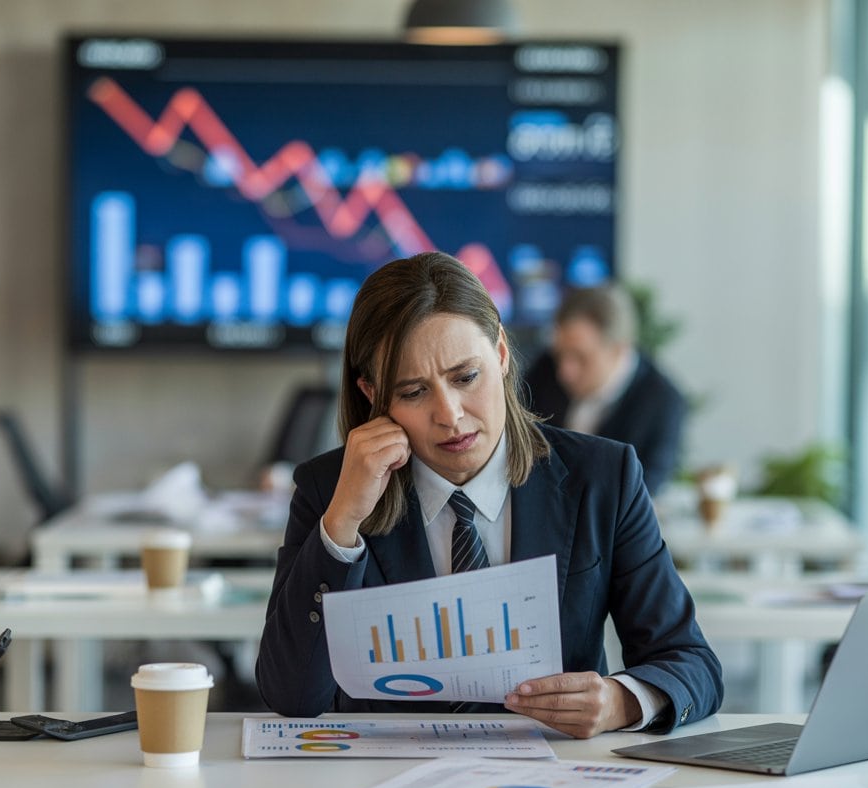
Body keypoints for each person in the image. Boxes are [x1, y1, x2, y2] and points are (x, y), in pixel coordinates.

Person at [255, 252, 721, 738]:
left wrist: (620, 702)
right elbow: (291, 695)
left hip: (551, 785)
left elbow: (691, 662)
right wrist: (343, 520)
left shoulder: (603, 476)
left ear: (500, 353)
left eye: (465, 377)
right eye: (414, 392)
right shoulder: (330, 489)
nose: (451, 415)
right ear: (374, 393)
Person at [523, 284, 687, 495]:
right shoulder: (545, 369)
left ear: (619, 350)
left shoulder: (663, 403)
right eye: (560, 354)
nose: (565, 371)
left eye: (580, 358)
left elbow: (642, 494)